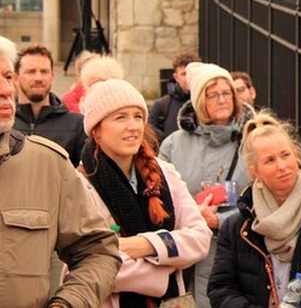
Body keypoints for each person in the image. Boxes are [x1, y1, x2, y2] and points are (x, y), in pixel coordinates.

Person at [0, 35, 121, 308]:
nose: (6, 89)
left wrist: (68, 303)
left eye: (8, 76)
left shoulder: (48, 164)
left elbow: (99, 252)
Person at [78, 78, 212, 308]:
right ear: (97, 130)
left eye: (138, 116)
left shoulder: (166, 174)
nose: (133, 126)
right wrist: (167, 267)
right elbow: (92, 263)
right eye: (120, 117)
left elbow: (200, 238)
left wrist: (142, 245)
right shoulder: (80, 184)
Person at [208, 112, 301, 307]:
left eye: (285, 155)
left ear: (296, 156)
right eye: (270, 160)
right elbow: (220, 289)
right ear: (255, 171)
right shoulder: (236, 227)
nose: (282, 166)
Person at [159, 61, 255, 307]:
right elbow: (160, 197)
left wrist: (220, 221)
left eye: (227, 93)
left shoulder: (252, 140)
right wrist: (193, 214)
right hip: (189, 259)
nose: (222, 99)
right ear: (200, 101)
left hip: (241, 253)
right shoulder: (173, 145)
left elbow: (264, 197)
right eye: (213, 95)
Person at [13, 44, 87, 166]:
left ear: (52, 76)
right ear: (16, 78)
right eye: (31, 72)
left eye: (44, 71)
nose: (38, 77)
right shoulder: (5, 123)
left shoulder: (77, 125)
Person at [150, 51, 201, 143]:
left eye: (191, 73)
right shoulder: (162, 105)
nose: (188, 78)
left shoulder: (207, 102)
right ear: (176, 77)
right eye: (184, 74)